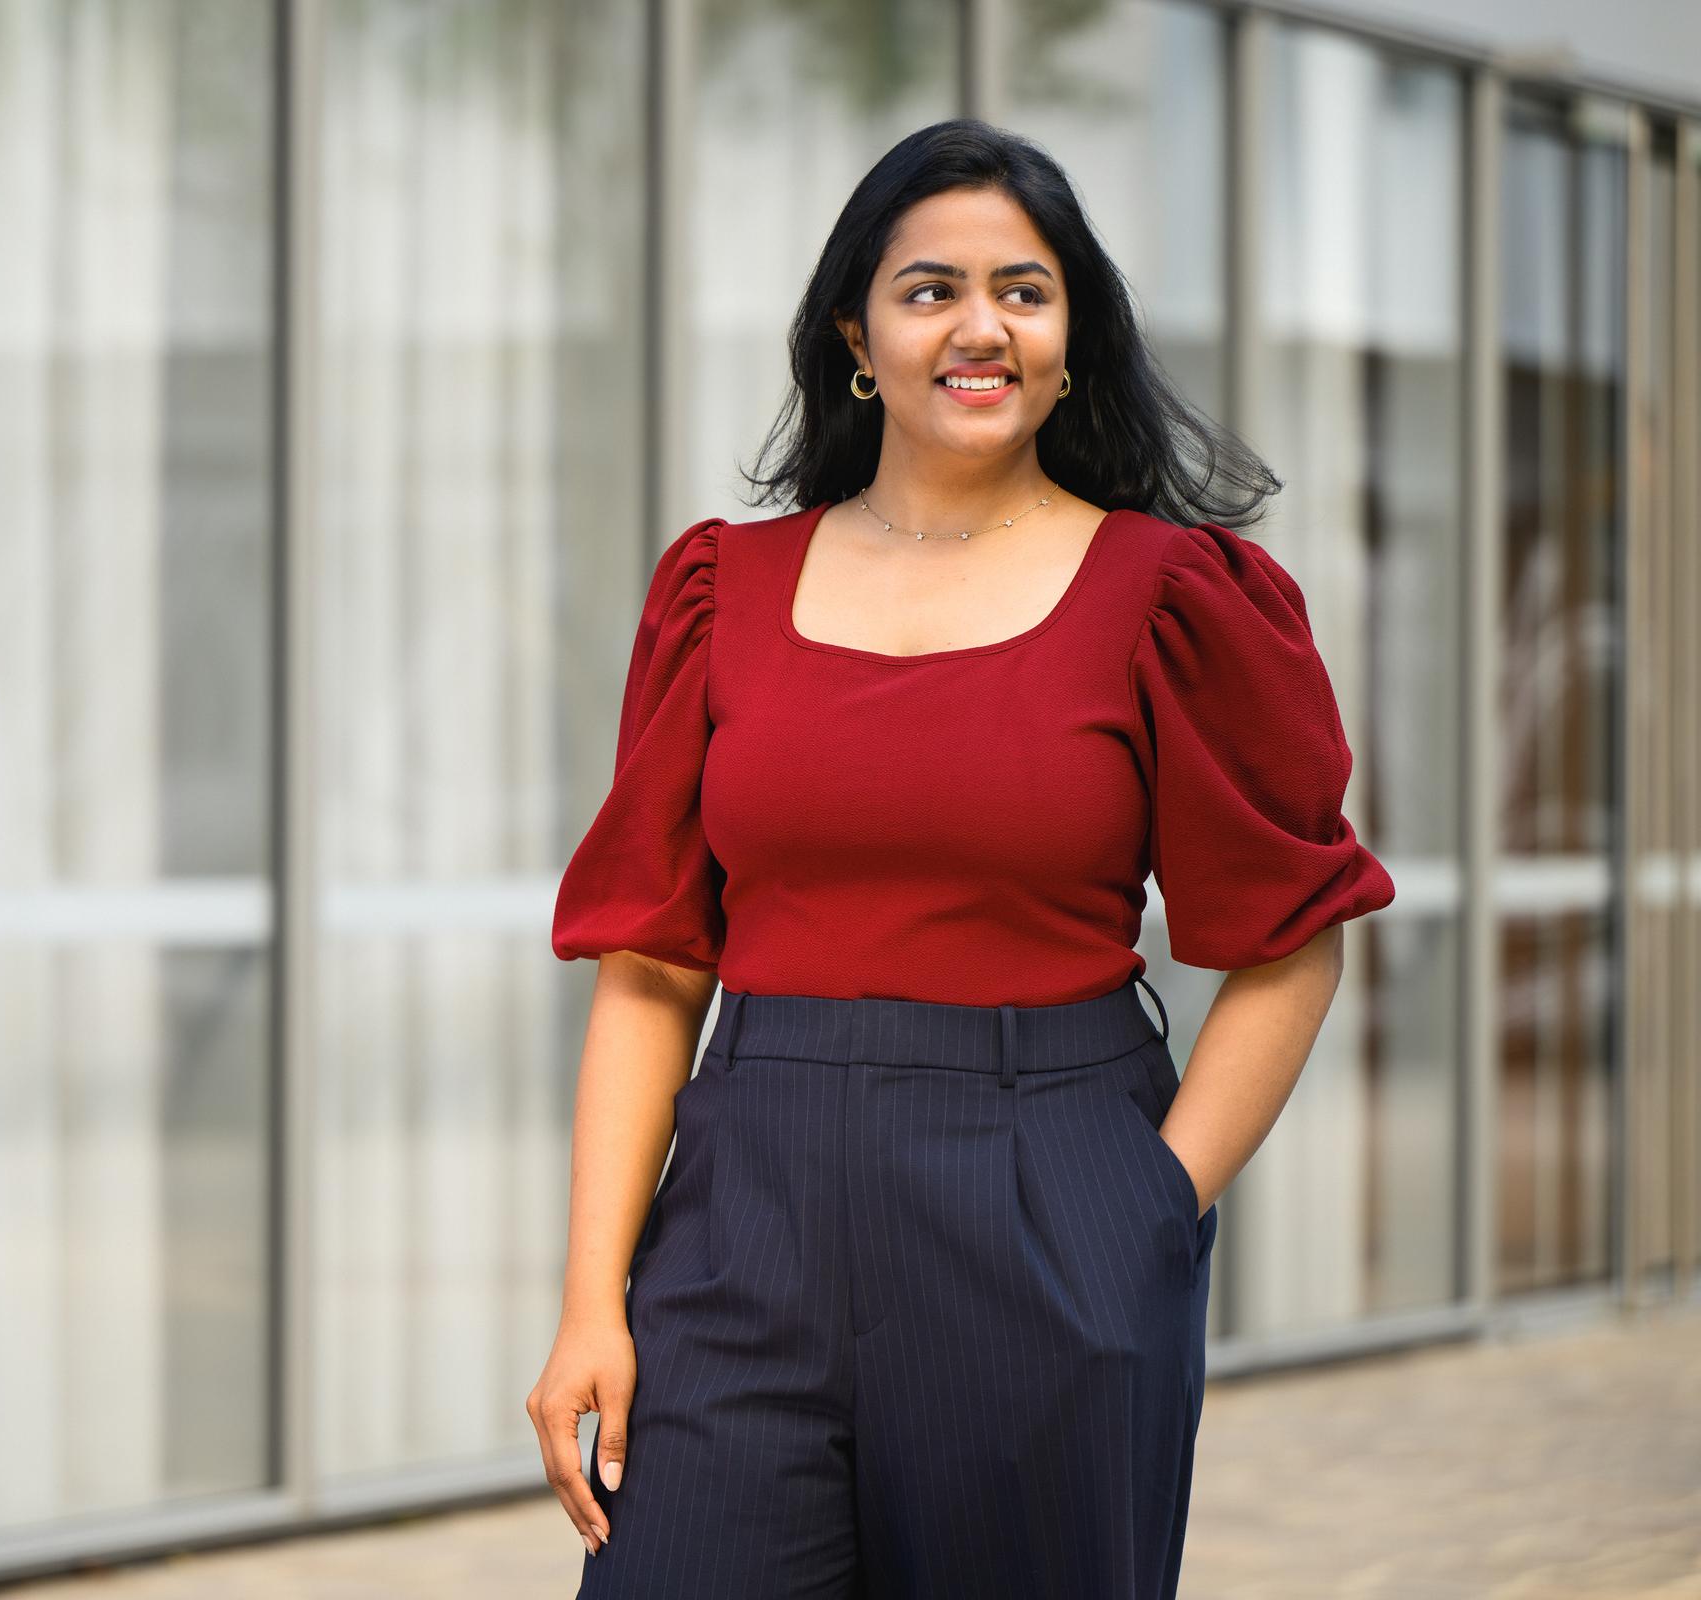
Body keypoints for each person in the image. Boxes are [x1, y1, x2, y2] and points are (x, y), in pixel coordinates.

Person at [524, 117, 1395, 1599]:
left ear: (1073, 339)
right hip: (744, 1216)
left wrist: (1148, 1211)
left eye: (1025, 290)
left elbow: (1290, 933)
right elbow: (655, 961)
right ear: (858, 333)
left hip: (1048, 1201)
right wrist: (590, 1304)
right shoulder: (721, 592)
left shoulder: (1172, 597)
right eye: (930, 289)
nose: (979, 325)